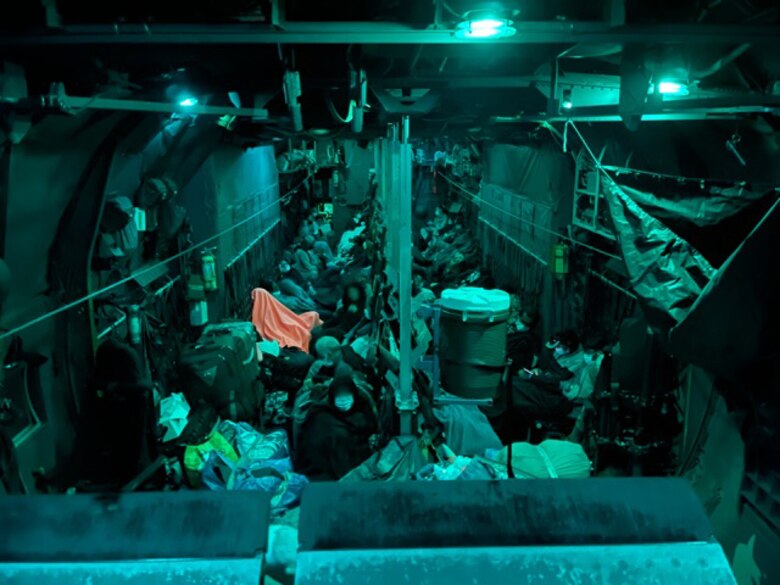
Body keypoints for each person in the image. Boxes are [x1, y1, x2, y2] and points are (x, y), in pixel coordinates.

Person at [294, 375, 378, 481]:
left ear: (354, 395)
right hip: (325, 476)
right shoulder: (320, 417)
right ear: (332, 396)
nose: (343, 401)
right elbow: (313, 453)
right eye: (339, 396)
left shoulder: (362, 412)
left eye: (347, 396)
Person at [510, 331, 599, 423]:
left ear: (568, 346)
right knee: (516, 384)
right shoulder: (563, 353)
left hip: (565, 400)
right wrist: (540, 371)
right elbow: (552, 370)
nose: (556, 350)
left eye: (558, 346)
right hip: (556, 390)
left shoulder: (580, 363)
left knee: (518, 390)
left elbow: (559, 382)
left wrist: (531, 377)